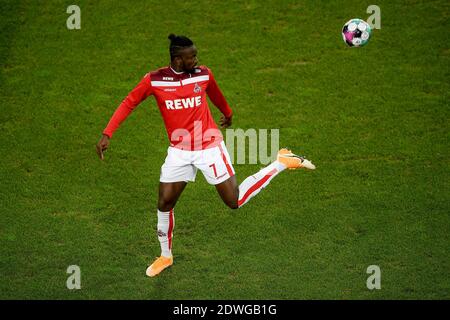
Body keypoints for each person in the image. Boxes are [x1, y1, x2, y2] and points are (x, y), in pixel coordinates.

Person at [96, 34, 316, 277]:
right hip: (179, 151)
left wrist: (228, 113)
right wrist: (108, 133)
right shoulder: (154, 80)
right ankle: (165, 256)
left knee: (235, 201)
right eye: (192, 56)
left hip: (209, 147)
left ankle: (281, 162)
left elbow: (215, 93)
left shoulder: (203, 74)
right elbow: (129, 102)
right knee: (164, 203)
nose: (196, 60)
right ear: (178, 59)